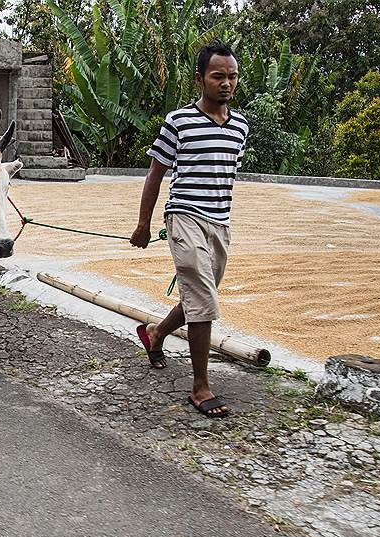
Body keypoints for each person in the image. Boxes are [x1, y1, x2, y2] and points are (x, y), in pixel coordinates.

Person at [130, 40, 249, 418]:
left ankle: (155, 334)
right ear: (200, 79)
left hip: (220, 224)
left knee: (198, 298)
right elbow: (155, 174)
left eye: (231, 76)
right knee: (205, 302)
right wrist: (143, 224)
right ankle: (200, 387)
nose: (226, 83)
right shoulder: (178, 121)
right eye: (218, 76)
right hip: (184, 217)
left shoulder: (240, 127)